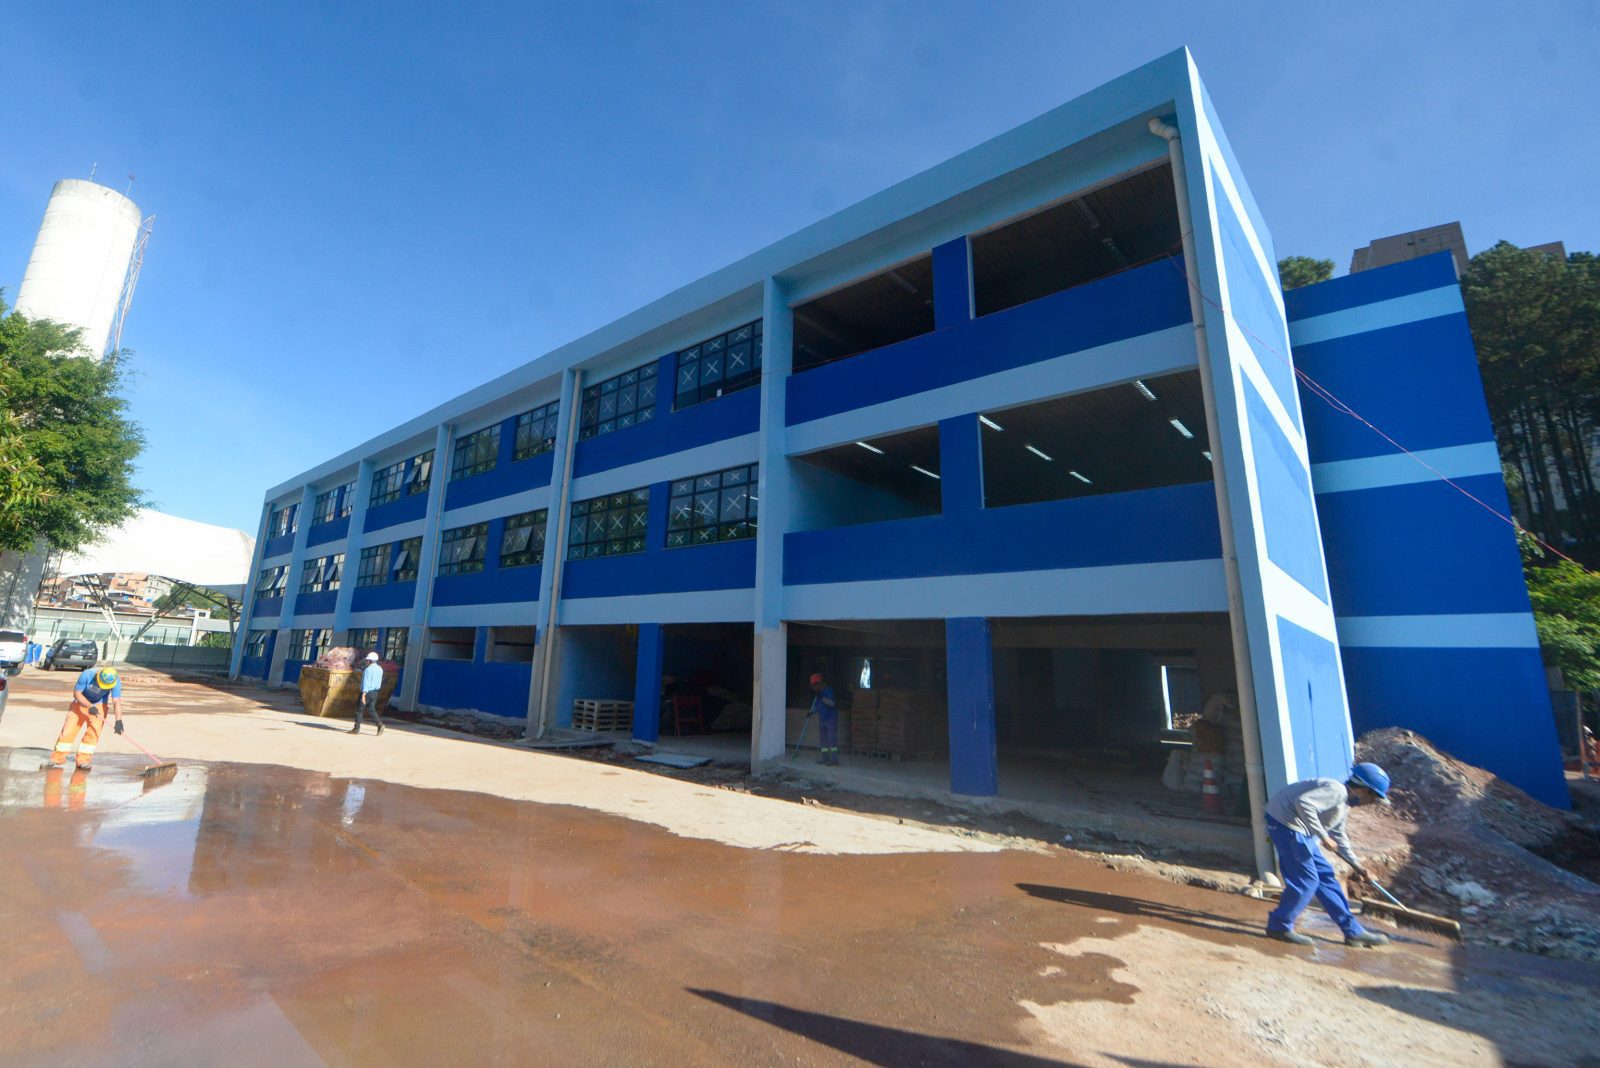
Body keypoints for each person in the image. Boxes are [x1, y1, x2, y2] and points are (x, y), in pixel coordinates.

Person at [1263, 762, 1393, 948]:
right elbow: (1303, 802)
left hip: (1301, 831)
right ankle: (1279, 926)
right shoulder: (1337, 790)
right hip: (1286, 825)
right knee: (1307, 881)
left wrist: (1358, 867)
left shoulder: (1343, 804)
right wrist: (1324, 837)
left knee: (1326, 878)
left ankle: (1353, 932)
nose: (1372, 802)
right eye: (1374, 797)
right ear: (1364, 790)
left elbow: (1340, 837)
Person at [45, 665, 124, 772]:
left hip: (100, 705)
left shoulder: (115, 681)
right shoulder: (87, 674)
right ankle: (57, 758)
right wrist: (90, 706)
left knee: (93, 733)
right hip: (80, 703)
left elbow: (116, 701)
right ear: (98, 676)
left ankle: (83, 760)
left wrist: (118, 721)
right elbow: (77, 693)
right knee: (68, 731)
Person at [350, 652, 385, 736]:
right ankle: (379, 724)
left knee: (360, 710)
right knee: (371, 709)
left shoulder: (368, 670)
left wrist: (363, 694)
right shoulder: (380, 669)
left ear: (369, 661)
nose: (366, 662)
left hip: (367, 692)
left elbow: (366, 682)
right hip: (375, 692)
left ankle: (356, 728)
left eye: (367, 660)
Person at [809, 672, 838, 766]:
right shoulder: (818, 694)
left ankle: (834, 760)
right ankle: (825, 758)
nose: (814, 688)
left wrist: (822, 698)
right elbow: (817, 706)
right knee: (823, 740)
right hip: (822, 720)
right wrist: (811, 712)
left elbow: (832, 703)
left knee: (832, 739)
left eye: (814, 686)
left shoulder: (828, 691)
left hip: (831, 719)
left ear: (819, 683)